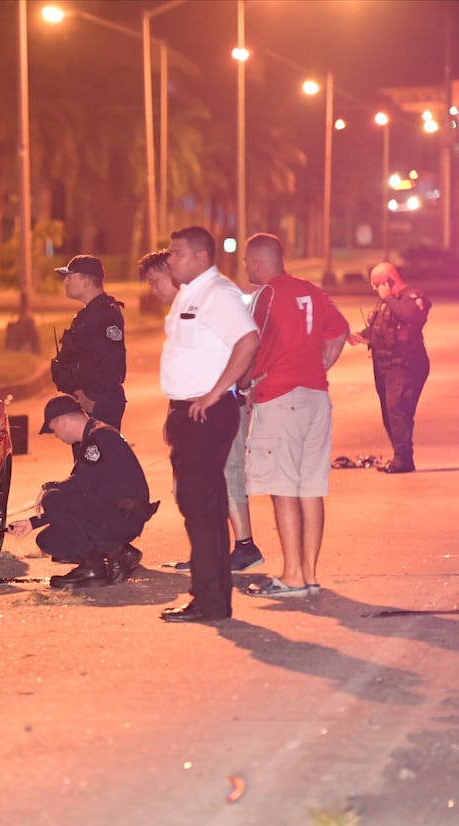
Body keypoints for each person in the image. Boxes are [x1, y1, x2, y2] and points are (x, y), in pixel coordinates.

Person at [156, 226, 259, 624]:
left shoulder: (219, 294)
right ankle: (209, 596)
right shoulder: (190, 293)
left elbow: (248, 340)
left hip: (206, 413)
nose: (170, 258)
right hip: (187, 411)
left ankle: (210, 600)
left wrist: (217, 392)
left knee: (201, 508)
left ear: (202, 256)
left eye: (177, 252)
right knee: (201, 507)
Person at [139, 250, 265, 575]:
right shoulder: (184, 306)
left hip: (221, 405)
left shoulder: (215, 297)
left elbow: (247, 342)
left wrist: (234, 388)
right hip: (193, 408)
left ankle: (242, 547)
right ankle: (208, 555)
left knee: (224, 475)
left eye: (156, 280)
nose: (154, 288)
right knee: (196, 487)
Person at [239, 233, 349, 598]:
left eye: (246, 261)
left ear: (258, 262)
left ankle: (291, 576)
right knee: (311, 487)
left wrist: (246, 384)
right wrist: (320, 365)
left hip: (279, 397)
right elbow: (339, 331)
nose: (245, 267)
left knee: (282, 487)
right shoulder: (312, 292)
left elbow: (250, 342)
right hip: (316, 396)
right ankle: (308, 574)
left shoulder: (267, 295)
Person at [7, 395, 157, 588]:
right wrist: (33, 522)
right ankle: (118, 552)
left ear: (63, 421)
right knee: (49, 540)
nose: (57, 437)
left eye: (54, 430)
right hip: (118, 514)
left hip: (123, 517)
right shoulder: (96, 435)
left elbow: (78, 488)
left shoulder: (99, 439)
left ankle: (93, 569)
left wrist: (48, 488)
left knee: (53, 498)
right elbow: (82, 497)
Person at [347, 261, 431, 473]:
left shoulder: (412, 297)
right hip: (384, 365)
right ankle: (400, 455)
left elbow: (409, 315)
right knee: (390, 413)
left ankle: (403, 459)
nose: (375, 290)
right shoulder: (387, 302)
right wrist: (362, 336)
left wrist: (389, 297)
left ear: (388, 281)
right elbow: (383, 326)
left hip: (405, 365)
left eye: (377, 284)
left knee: (398, 410)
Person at [49, 255, 127, 430]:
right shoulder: (88, 314)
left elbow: (112, 364)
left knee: (99, 455)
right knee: (84, 457)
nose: (65, 282)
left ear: (86, 282)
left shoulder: (106, 314)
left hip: (98, 402)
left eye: (70, 277)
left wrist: (91, 399)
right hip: (85, 400)